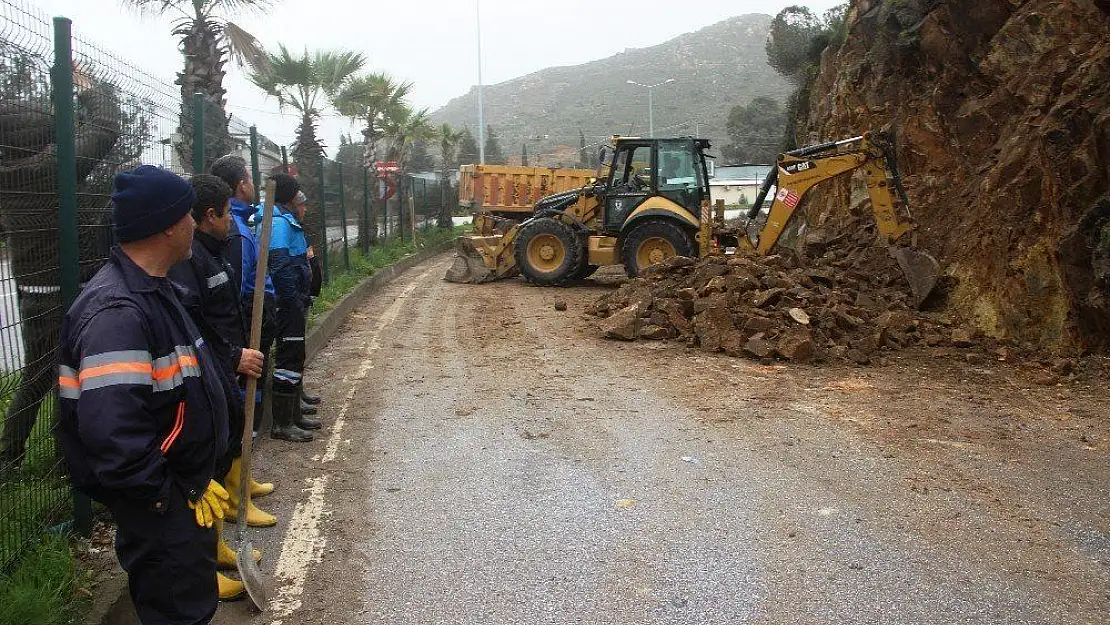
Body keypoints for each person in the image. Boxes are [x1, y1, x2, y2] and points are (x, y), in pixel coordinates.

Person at [56, 165, 230, 624]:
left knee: (191, 601)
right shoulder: (119, 313)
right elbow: (114, 432)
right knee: (178, 610)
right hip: (161, 509)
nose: (195, 222)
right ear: (169, 225)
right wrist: (166, 499)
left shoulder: (156, 291)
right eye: (188, 214)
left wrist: (193, 479)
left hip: (177, 493)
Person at [168, 175, 270, 600]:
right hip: (205, 373)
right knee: (200, 472)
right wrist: (231, 357)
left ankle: (217, 548)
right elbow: (194, 325)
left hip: (221, 372)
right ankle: (200, 567)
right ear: (209, 216)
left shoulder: (213, 254)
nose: (233, 221)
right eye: (227, 213)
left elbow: (221, 315)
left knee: (220, 450)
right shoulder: (186, 265)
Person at [210, 156, 312, 443]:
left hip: (275, 309)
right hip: (270, 311)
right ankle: (261, 433)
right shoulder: (245, 230)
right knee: (273, 364)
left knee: (280, 361)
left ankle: (278, 421)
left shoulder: (251, 221)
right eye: (249, 179)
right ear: (242, 186)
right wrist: (289, 302)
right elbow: (269, 271)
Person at [264, 175, 320, 437]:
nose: (302, 200)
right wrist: (293, 301)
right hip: (287, 304)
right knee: (288, 359)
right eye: (298, 194)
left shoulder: (285, 221)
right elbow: (279, 266)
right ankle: (282, 423)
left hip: (293, 301)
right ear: (289, 197)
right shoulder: (278, 224)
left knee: (295, 355)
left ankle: (293, 414)